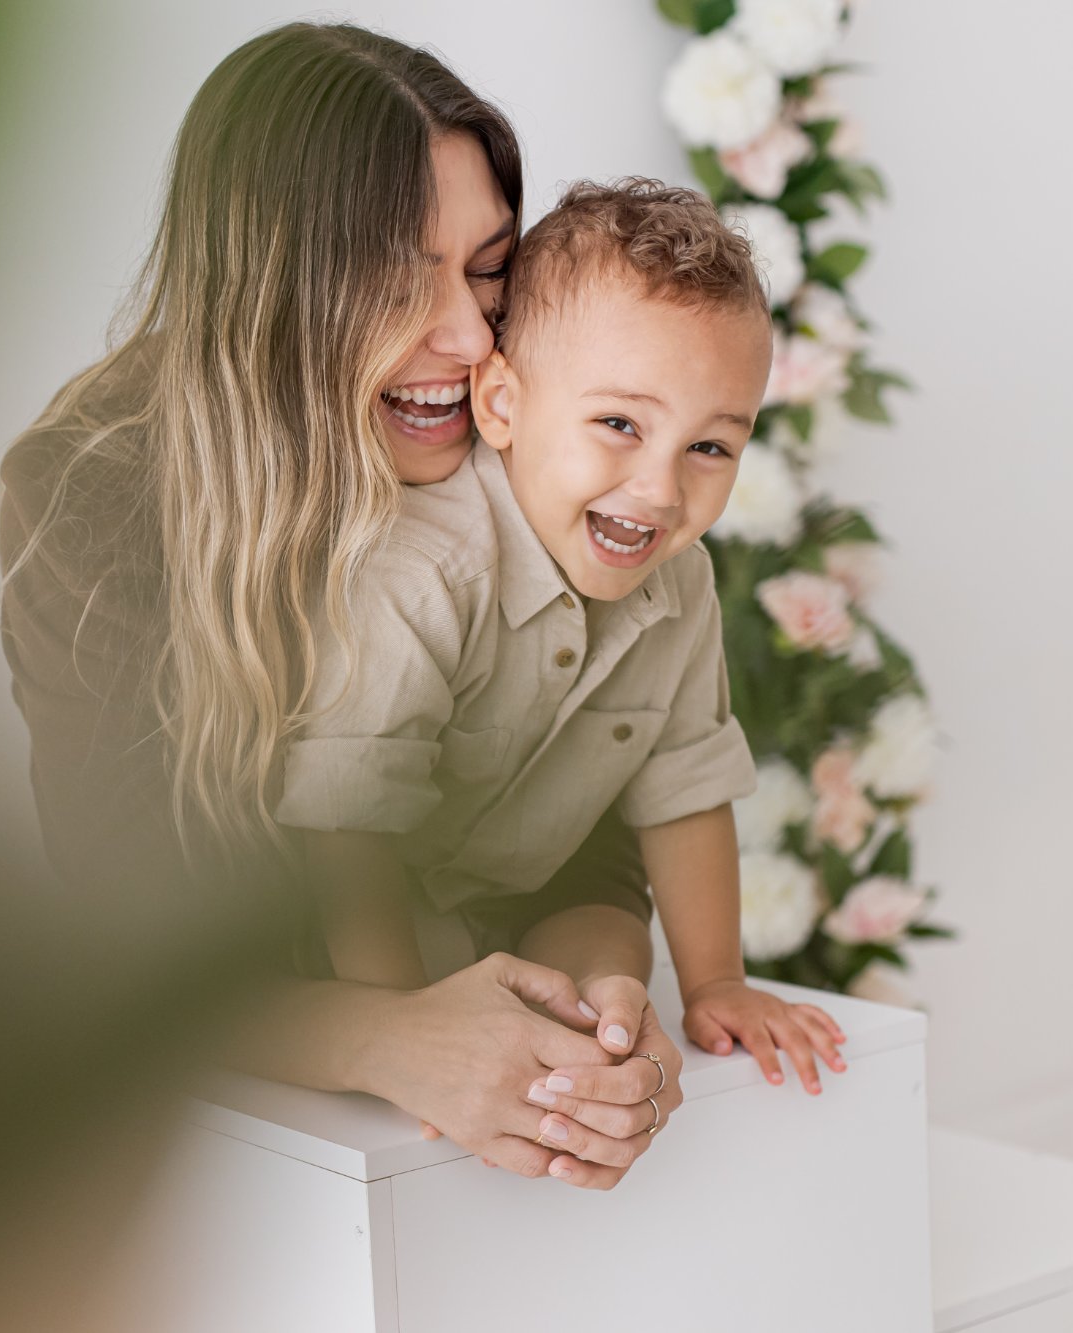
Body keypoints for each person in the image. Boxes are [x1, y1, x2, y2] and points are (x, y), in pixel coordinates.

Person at [0, 22, 678, 1186]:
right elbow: (121, 953)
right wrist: (390, 1038)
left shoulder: (520, 434)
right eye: (395, 275)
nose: (466, 340)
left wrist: (605, 1005)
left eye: (486, 266)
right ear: (265, 285)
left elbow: (585, 847)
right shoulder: (93, 493)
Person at [279, 180, 850, 1111]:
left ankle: (606, 1017)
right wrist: (404, 1030)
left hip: (522, 896)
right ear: (501, 405)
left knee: (604, 938)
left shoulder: (682, 583)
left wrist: (715, 983)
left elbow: (687, 785)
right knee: (397, 945)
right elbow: (346, 825)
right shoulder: (424, 572)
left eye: (711, 448)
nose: (661, 490)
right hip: (366, 918)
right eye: (620, 424)